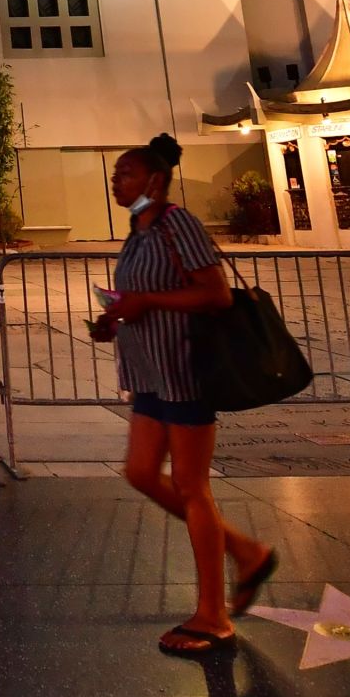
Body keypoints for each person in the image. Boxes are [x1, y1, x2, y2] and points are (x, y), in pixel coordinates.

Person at [90, 134, 276, 656]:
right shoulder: (138, 231)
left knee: (193, 487)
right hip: (151, 374)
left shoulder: (177, 224)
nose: (115, 180)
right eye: (115, 172)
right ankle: (246, 550)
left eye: (125, 172)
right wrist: (116, 316)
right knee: (142, 474)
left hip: (187, 371)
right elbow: (143, 298)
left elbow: (214, 293)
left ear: (153, 180)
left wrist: (145, 300)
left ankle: (213, 616)